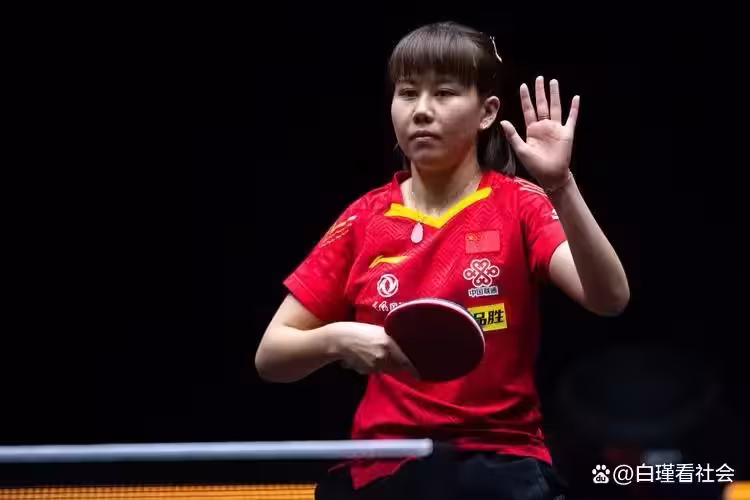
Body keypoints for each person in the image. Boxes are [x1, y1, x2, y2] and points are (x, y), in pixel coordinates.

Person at [255, 21, 629, 500]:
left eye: (445, 93)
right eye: (408, 93)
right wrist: (337, 338)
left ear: (487, 112)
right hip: (385, 466)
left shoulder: (519, 203)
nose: (422, 110)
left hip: (500, 462)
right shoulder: (364, 219)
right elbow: (272, 356)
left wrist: (561, 186)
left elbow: (609, 298)